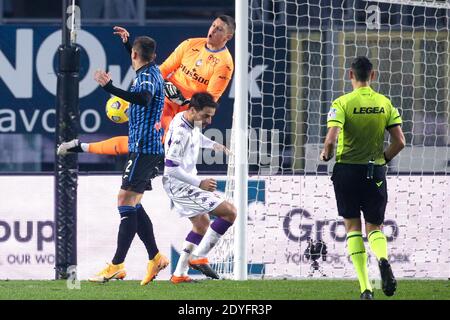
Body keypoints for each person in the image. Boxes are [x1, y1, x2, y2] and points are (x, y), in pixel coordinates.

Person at [57, 15, 235, 156]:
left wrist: (184, 101)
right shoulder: (190, 44)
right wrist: (129, 46)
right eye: (213, 25)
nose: (212, 30)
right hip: (165, 99)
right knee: (141, 141)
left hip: (188, 111)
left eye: (219, 29)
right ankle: (83, 147)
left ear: (228, 36)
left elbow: (208, 103)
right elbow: (162, 70)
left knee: (160, 146)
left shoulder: (224, 64)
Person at [320, 56, 405, 300]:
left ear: (350, 75)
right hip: (374, 171)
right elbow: (400, 142)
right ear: (373, 75)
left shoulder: (342, 102)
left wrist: (326, 154)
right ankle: (383, 259)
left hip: (347, 171)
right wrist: (383, 161)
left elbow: (331, 139)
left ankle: (365, 289)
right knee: (375, 227)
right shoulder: (385, 103)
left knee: (352, 227)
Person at [86, 36, 169, 285]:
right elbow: (140, 59)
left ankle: (117, 265)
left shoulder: (145, 77)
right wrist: (127, 44)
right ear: (152, 55)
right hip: (147, 147)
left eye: (132, 53)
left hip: (144, 148)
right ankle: (155, 257)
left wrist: (109, 88)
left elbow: (143, 98)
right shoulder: (153, 69)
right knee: (133, 203)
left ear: (135, 55)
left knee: (125, 199)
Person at [163, 92, 236, 283]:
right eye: (206, 116)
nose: (209, 121)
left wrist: (214, 145)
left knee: (201, 225)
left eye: (211, 116)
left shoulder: (186, 118)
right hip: (179, 184)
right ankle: (198, 257)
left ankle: (179, 274)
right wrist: (200, 184)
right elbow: (170, 168)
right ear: (193, 111)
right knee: (229, 212)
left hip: (185, 181)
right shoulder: (180, 131)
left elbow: (196, 137)